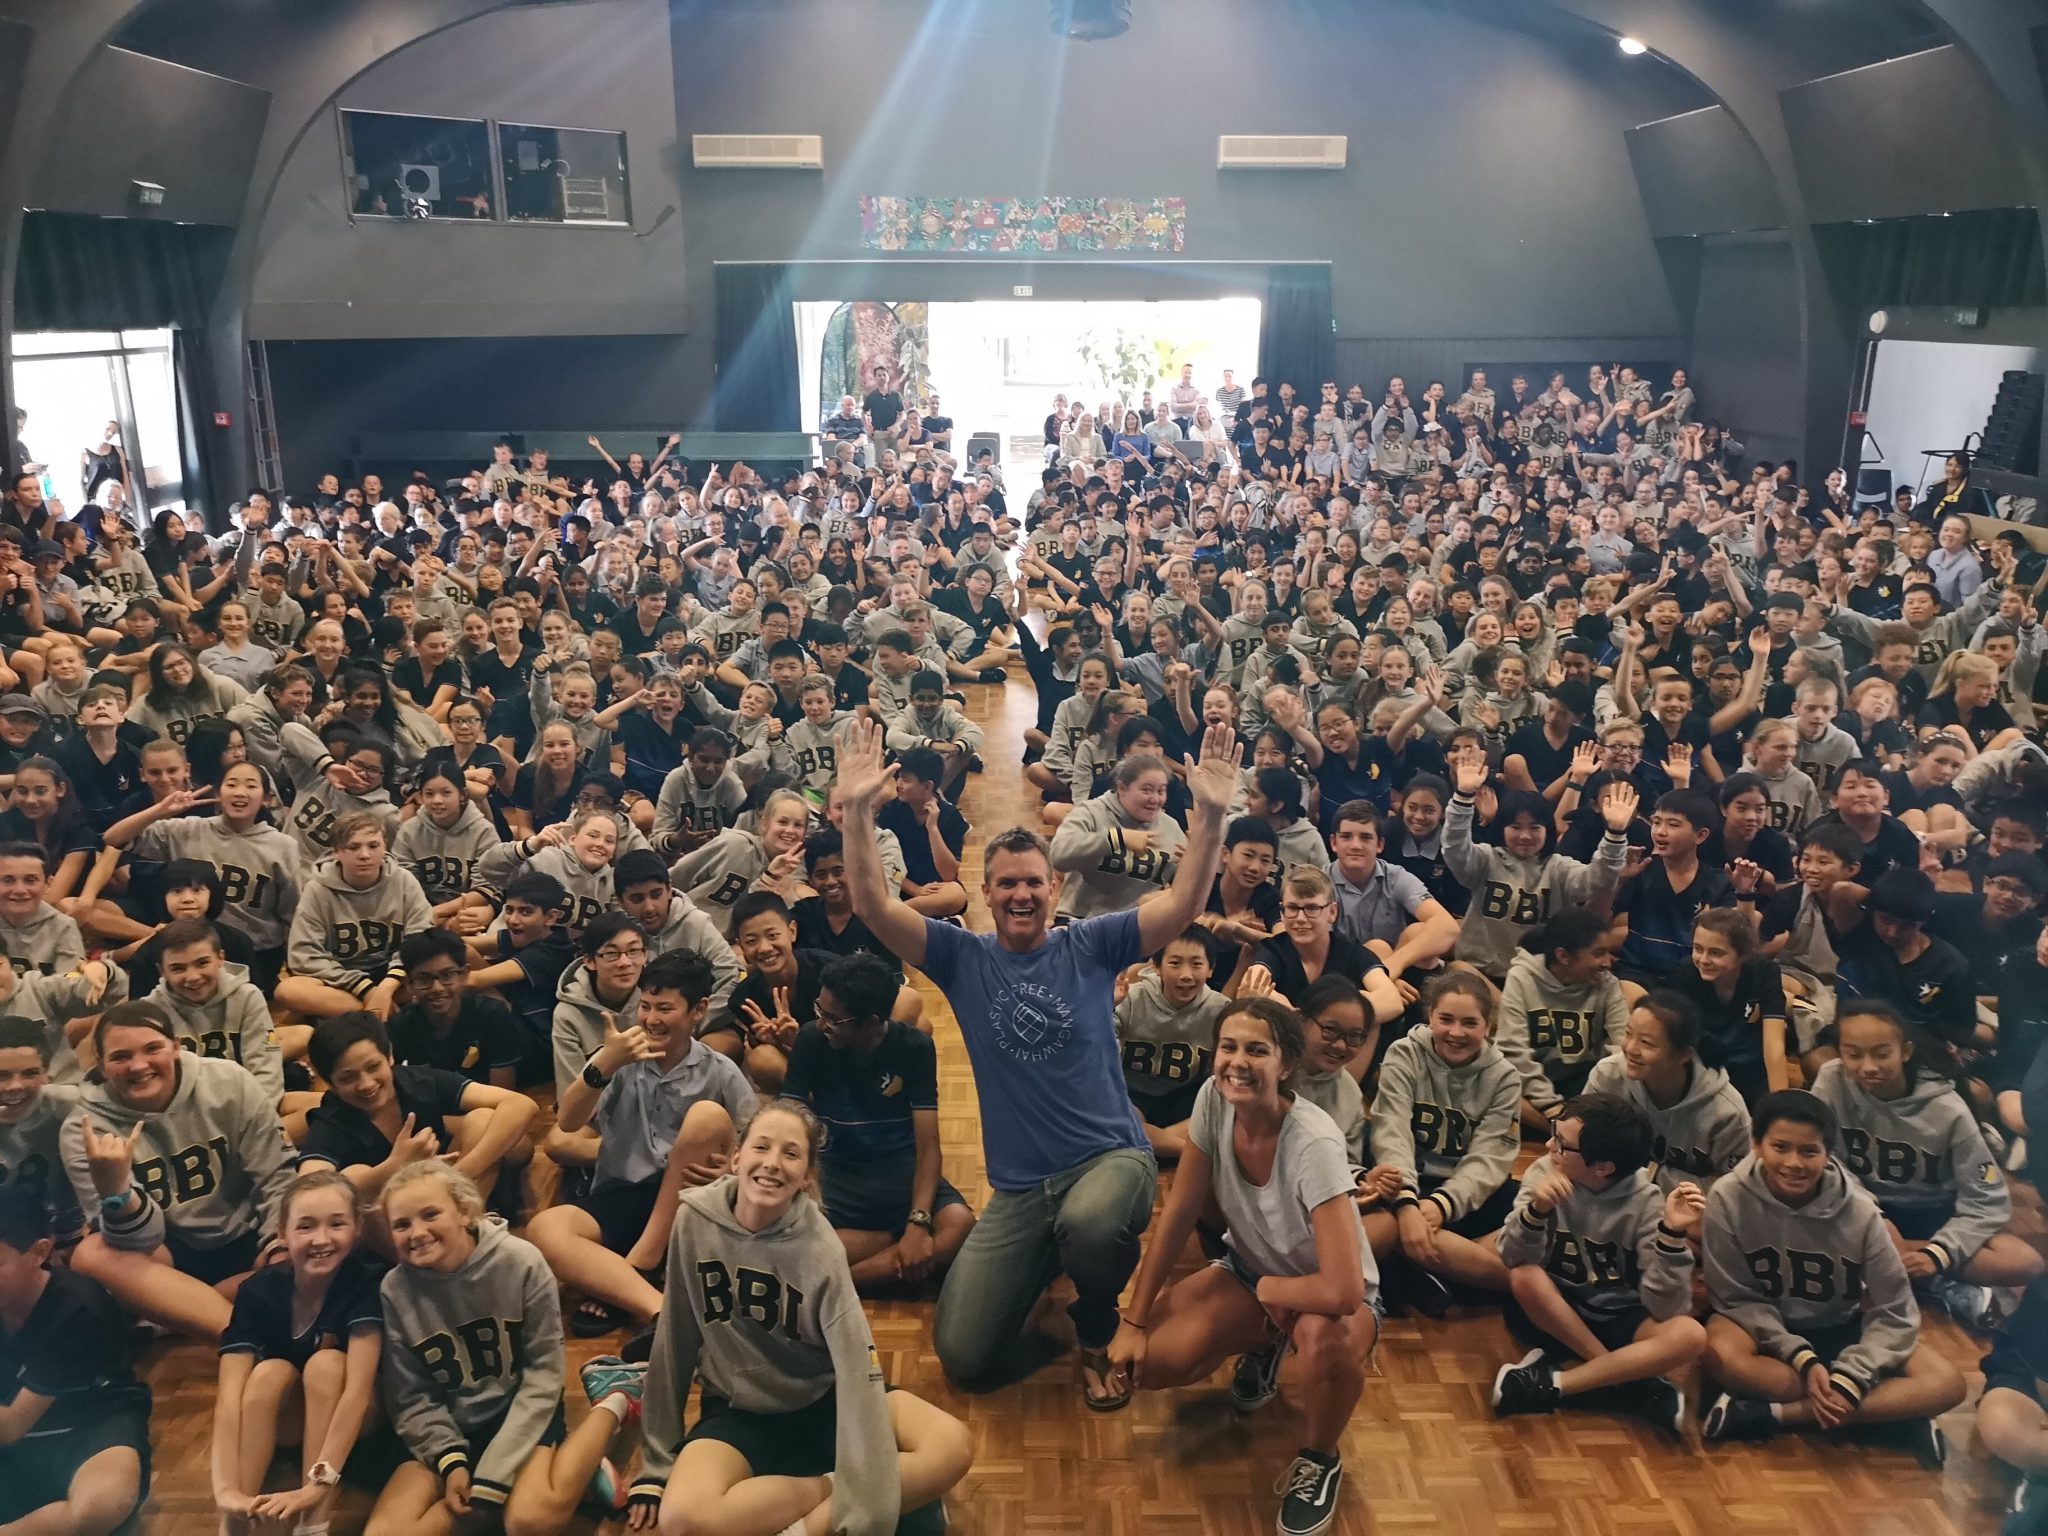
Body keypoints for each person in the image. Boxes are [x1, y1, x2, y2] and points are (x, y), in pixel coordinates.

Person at [838, 713, 1240, 1405]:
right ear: (987, 895)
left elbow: (1183, 903)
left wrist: (1207, 813)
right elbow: (873, 905)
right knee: (963, 1355)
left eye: (1033, 882)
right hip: (1023, 1189)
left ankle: (1093, 1317)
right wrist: (851, 814)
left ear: (1053, 891)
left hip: (1111, 1158)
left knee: (1093, 1223)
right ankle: (1052, 1252)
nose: (1021, 894)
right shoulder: (962, 959)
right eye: (1006, 884)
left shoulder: (1091, 944)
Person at [630, 1099, 974, 1536]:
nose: (772, 1164)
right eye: (762, 1147)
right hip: (740, 1409)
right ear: (737, 1157)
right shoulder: (693, 1221)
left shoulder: (820, 1247)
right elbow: (674, 1338)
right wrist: (656, 1464)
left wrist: (860, 1484)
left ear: (807, 1176)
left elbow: (857, 1368)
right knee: (681, 1518)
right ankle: (876, 1496)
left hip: (825, 1401)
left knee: (953, 1444)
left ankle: (807, 1525)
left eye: (791, 1154)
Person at [1106, 997, 1376, 1536]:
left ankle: (1320, 1459)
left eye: (1257, 1050)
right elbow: (1180, 1208)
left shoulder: (1316, 1141)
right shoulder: (1213, 1097)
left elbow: (1345, 1290)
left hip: (1325, 1294)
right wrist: (1132, 1320)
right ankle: (1266, 1342)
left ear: (1287, 1065)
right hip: (1248, 1270)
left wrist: (1277, 1289)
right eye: (1228, 1047)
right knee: (1151, 1364)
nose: (1237, 1062)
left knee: (1325, 1341)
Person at [371, 1161, 642, 1535]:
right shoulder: (394, 1290)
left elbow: (543, 1373)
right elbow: (410, 1396)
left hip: (519, 1408)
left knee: (529, 1520)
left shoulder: (521, 1262)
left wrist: (493, 1476)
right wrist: (452, 1461)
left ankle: (615, 1397)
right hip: (451, 1424)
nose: (416, 1232)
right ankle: (566, 1473)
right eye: (401, 1224)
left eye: (430, 1214)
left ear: (465, 1211)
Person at [1699, 1089, 1965, 1457]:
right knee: (1717, 1354)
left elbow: (1895, 1310)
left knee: (1948, 1384)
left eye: (1809, 1151)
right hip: (1764, 1330)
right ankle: (1892, 1417)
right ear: (1756, 1144)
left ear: (1828, 1154)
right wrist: (1802, 1359)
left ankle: (1776, 1415)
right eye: (1780, 1147)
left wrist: (1852, 1375)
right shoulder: (1727, 1197)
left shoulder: (1861, 1212)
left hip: (1841, 1329)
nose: (1794, 1163)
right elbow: (1734, 1297)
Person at [529, 949, 751, 1336]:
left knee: (707, 1117)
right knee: (545, 1229)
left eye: (664, 1008)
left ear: (698, 1010)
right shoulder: (617, 1058)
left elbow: (755, 1139)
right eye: (645, 1006)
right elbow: (568, 1121)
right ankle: (657, 1309)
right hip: (624, 1194)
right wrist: (605, 1063)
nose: (650, 1019)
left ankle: (627, 1277)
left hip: (691, 1203)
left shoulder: (719, 1070)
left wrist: (733, 1165)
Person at [63, 1001, 296, 1341]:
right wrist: (118, 1194)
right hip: (168, 1255)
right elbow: (141, 1240)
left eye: (152, 1048)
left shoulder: (229, 1081)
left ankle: (181, 1313)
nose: (139, 1065)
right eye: (120, 1057)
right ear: (101, 1065)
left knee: (316, 1216)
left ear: (176, 1046)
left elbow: (276, 1174)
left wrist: (278, 1246)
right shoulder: (84, 1129)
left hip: (250, 1236)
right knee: (89, 1255)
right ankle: (242, 1336)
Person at [1811, 1000, 2043, 1331]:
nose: (1867, 1066)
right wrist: (1869, 1214)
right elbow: (1825, 1159)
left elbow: (1986, 1201)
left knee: (2025, 1262)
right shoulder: (1830, 1082)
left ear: (1905, 1051)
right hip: (1863, 1208)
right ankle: (1934, 1284)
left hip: (1932, 1216)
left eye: (1881, 1053)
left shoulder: (1948, 1110)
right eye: (1853, 1054)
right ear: (1840, 1052)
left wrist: (1938, 1252)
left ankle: (1903, 1272)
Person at [1491, 1092, 1706, 1431]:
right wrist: (1536, 1212)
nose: (1548, 1146)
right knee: (1524, 1276)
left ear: (1603, 1167)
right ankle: (1621, 1378)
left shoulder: (1648, 1202)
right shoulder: (1544, 1172)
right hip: (1554, 1309)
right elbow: (1510, 1256)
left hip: (1619, 1316)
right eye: (1553, 1134)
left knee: (1690, 1334)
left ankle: (1559, 1384)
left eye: (1562, 1143)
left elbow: (1667, 1308)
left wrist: (1672, 1237)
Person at [780, 952, 974, 1292]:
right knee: (791, 1240)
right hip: (836, 1174)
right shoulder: (812, 1039)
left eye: (834, 1019)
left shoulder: (915, 1048)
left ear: (871, 1022)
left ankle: (843, 1284)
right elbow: (786, 1122)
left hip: (900, 1174)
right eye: (819, 1011)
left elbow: (928, 1147)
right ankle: (899, 1255)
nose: (822, 1024)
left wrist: (918, 1220)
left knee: (960, 1224)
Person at [211, 1169, 383, 1536]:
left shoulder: (368, 1281)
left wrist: (316, 1486)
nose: (321, 1239)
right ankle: (236, 1522)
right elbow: (228, 1399)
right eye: (306, 1226)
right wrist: (223, 1489)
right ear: (282, 1235)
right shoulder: (258, 1290)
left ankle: (313, 1524)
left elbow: (355, 1396)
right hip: (294, 1426)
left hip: (359, 1423)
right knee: (267, 1373)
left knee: (325, 1364)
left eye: (337, 1224)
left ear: (357, 1229)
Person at [0, 1184, 153, 1536]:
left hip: (92, 1425)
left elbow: (9, 1428)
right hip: (18, 1443)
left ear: (40, 1251)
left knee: (103, 1505)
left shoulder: (79, 1310)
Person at [1363, 972, 1519, 1312]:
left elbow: (1490, 1158)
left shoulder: (1504, 1077)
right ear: (1430, 1015)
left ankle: (1414, 1265)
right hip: (1407, 1181)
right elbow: (1392, 1133)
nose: (1456, 1032)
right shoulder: (1404, 1054)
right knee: (1377, 1210)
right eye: (1445, 1019)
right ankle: (1518, 1288)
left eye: (1470, 1023)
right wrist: (1407, 1204)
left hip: (1459, 1190)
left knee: (1529, 1211)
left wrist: (1440, 1205)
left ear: (1488, 1026)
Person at [297, 1012, 535, 1218]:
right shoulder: (331, 1120)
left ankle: (468, 1228)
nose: (366, 1084)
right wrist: (394, 1166)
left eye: (373, 1067)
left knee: (482, 1119)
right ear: (329, 1083)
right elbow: (309, 1191)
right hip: (393, 1221)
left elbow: (521, 1104)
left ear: (389, 1055)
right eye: (348, 1078)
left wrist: (459, 1174)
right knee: (352, 1176)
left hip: (451, 1194)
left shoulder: (417, 1080)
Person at [1585, 992, 1752, 1195]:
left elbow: (1735, 1191)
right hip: (1614, 1200)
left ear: (1684, 1055)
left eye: (1647, 1043)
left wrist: (1650, 1175)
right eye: (1628, 1034)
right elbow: (1578, 1147)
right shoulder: (1608, 1075)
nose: (1630, 1048)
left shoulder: (1726, 1112)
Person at [277, 813, 434, 1022]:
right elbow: (304, 954)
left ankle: (366, 1014)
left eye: (373, 845)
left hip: (396, 978)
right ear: (336, 852)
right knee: (288, 991)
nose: (365, 855)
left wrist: (387, 987)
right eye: (354, 847)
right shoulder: (317, 890)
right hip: (340, 981)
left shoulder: (404, 881)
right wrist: (365, 989)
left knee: (438, 974)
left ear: (385, 846)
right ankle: (381, 1015)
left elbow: (421, 938)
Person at [1497, 909, 1628, 1132]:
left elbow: (1623, 1047)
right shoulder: (1522, 977)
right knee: (1498, 1085)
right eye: (1598, 953)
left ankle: (1572, 1132)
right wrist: (1552, 1107)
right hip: (1534, 1085)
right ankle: (1565, 1132)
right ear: (1563, 956)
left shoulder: (1608, 984)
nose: (1608, 962)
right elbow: (1513, 1051)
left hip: (1584, 1085)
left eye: (1610, 953)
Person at [1113, 925, 1230, 1161]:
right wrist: (1107, 1005)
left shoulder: (1221, 1009)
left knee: (1226, 1105)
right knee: (1116, 1116)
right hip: (1136, 1095)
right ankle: (1194, 1154)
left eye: (1196, 964)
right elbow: (1097, 1049)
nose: (1186, 974)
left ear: (1210, 969)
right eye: (1175, 963)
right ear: (1156, 966)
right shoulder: (1131, 997)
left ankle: (1145, 1143)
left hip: (1188, 1098)